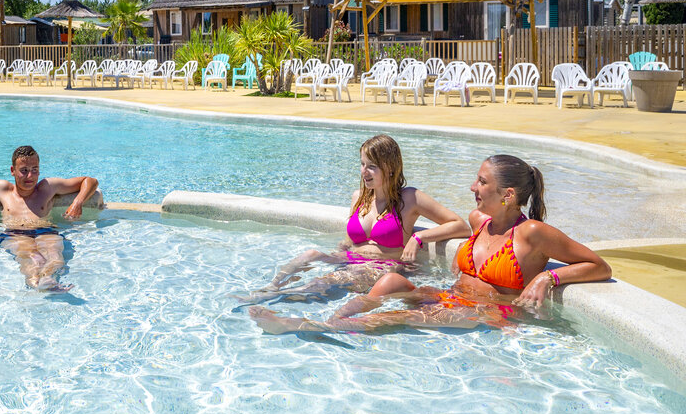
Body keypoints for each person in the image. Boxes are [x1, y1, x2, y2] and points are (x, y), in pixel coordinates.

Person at [248, 155, 612, 334]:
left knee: (402, 315)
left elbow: (600, 266)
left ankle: (312, 328)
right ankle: (334, 319)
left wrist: (547, 279)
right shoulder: (477, 220)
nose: (473, 188)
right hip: (450, 296)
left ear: (508, 194)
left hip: (489, 313)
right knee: (390, 282)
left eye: (481, 182)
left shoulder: (532, 232)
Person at [239, 134, 469, 304]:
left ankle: (275, 300)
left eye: (372, 167)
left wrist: (419, 237)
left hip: (382, 265)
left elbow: (460, 226)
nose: (364, 172)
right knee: (311, 255)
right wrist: (344, 246)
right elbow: (352, 239)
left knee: (325, 283)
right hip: (351, 259)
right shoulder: (358, 197)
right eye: (362, 165)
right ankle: (270, 288)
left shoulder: (410, 198)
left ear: (390, 168)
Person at [0, 145, 99, 291]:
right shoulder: (2, 189)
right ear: (12, 171)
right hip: (15, 234)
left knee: (56, 258)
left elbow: (90, 181)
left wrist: (77, 203)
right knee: (30, 261)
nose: (30, 176)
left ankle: (47, 280)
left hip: (46, 231)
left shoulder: (48, 187)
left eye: (35, 170)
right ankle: (37, 284)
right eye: (24, 171)